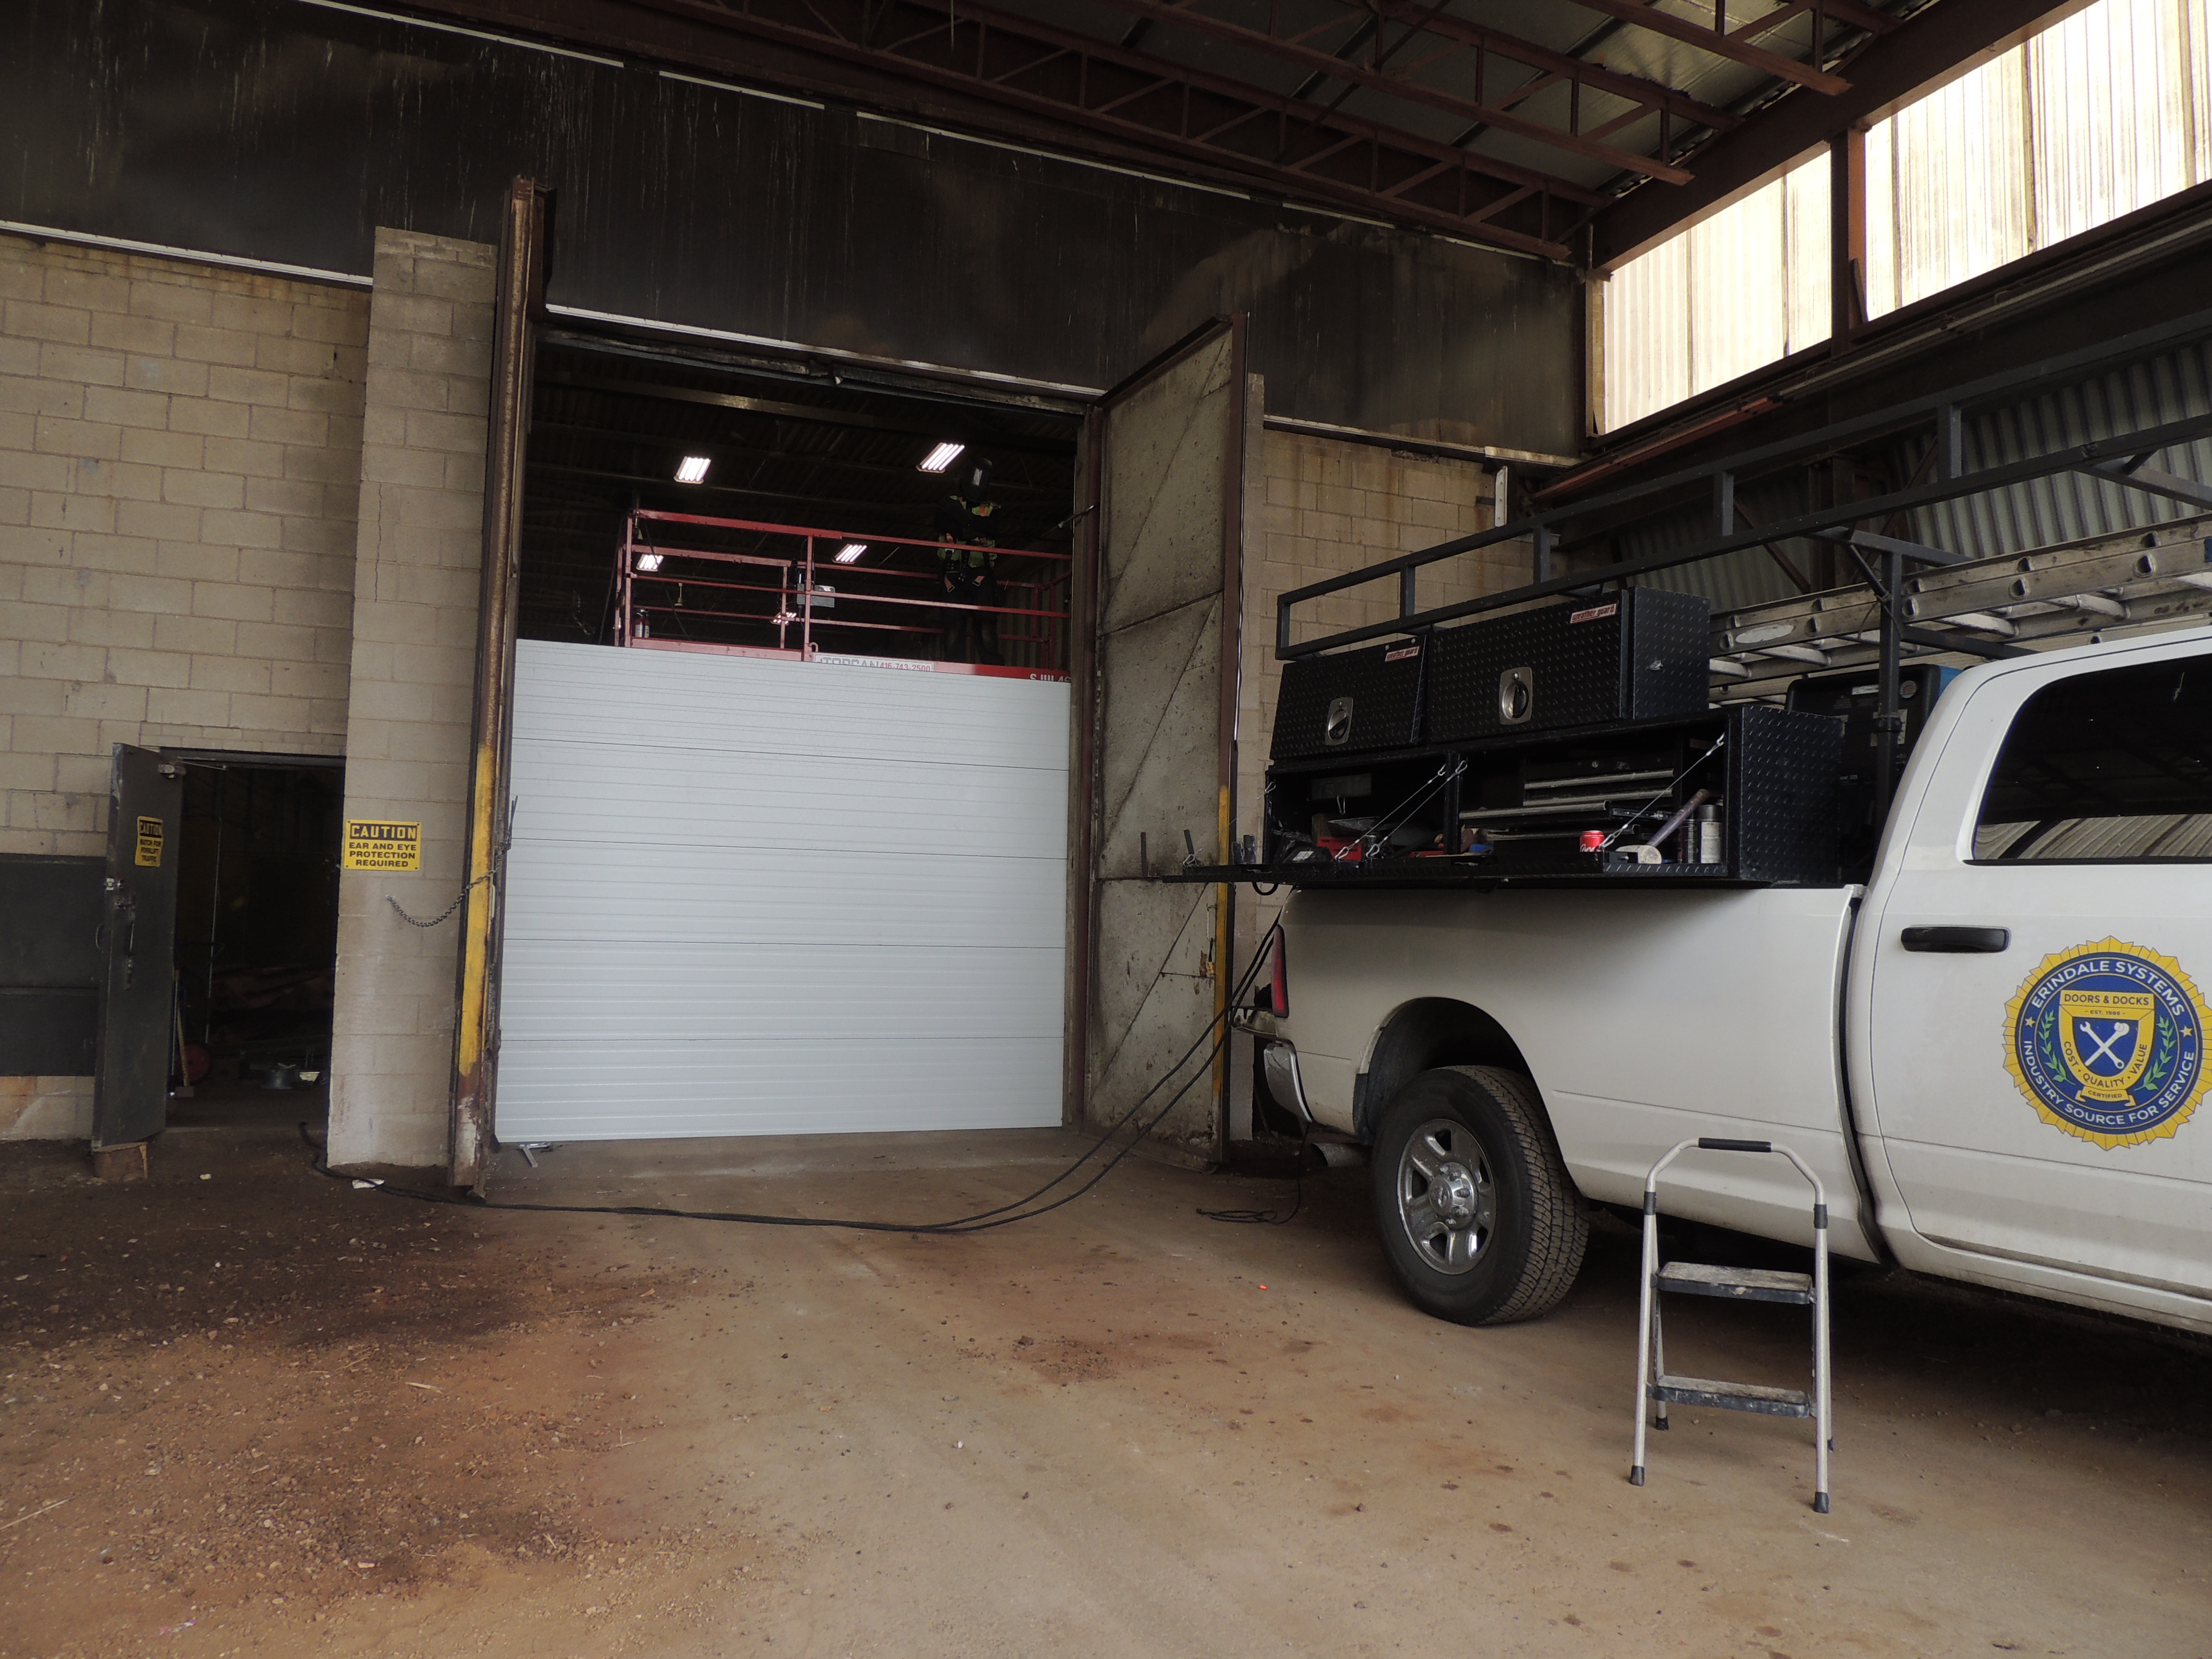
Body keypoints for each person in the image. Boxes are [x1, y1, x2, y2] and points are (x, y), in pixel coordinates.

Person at [935, 457, 1002, 665]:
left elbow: (993, 528)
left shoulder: (992, 511)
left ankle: (993, 667)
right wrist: (972, 528)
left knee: (986, 623)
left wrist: (962, 520)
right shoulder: (947, 505)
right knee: (953, 623)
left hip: (981, 574)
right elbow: (942, 524)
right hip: (953, 573)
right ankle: (954, 667)